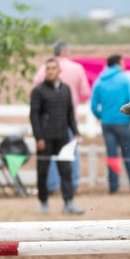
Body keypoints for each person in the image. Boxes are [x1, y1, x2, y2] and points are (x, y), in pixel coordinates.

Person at [34, 39, 90, 192]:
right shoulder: (77, 68)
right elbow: (85, 93)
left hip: (48, 121)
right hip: (69, 119)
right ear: (66, 51)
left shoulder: (43, 69)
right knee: (70, 152)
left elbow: (37, 90)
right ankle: (72, 185)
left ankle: (52, 185)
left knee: (50, 155)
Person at [30, 58, 84, 214]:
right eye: (48, 68)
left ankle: (68, 203)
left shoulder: (66, 89)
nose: (50, 71)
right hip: (45, 138)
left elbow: (70, 115)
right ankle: (44, 203)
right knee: (43, 171)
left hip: (63, 138)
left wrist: (75, 133)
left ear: (59, 71)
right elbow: (34, 116)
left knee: (66, 171)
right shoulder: (38, 91)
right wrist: (38, 137)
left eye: (53, 68)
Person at [90, 54, 130, 194]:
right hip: (123, 123)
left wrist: (102, 116)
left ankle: (113, 186)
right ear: (118, 64)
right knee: (127, 155)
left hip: (107, 123)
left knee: (112, 155)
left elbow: (93, 106)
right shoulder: (124, 79)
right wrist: (129, 118)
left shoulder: (99, 81)